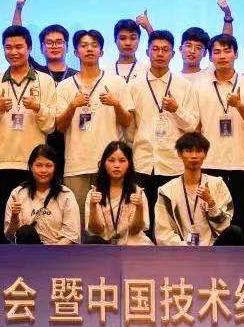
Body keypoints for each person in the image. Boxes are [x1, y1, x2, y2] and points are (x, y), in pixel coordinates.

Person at [0, 25, 58, 238]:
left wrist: (38, 108)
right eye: (8, 47)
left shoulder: (45, 81)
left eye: (19, 47)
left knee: (31, 227)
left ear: (29, 48)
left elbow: (51, 125)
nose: (13, 52)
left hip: (31, 166)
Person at [128, 29, 200, 236]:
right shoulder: (135, 85)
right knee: (143, 221)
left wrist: (176, 109)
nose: (160, 54)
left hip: (172, 163)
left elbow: (192, 126)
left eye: (165, 50)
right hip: (142, 162)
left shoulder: (184, 86)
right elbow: (130, 128)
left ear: (173, 54)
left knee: (172, 223)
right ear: (147, 52)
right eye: (155, 49)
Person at [53, 29, 134, 209]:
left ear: (101, 52)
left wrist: (116, 104)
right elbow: (59, 127)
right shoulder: (65, 86)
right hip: (76, 164)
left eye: (94, 45)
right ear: (76, 52)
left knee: (109, 218)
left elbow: (127, 122)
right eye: (84, 45)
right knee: (78, 219)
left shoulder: (116, 82)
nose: (89, 49)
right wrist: (72, 106)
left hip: (110, 164)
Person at [196, 33, 244, 244]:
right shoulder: (199, 87)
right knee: (210, 219)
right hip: (210, 163)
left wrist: (239, 105)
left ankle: (242, 263)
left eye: (227, 51)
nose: (222, 56)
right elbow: (196, 128)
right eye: (216, 52)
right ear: (210, 57)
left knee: (241, 221)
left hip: (241, 164)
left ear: (236, 54)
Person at [154, 132, 242, 246]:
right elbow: (162, 233)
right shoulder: (167, 191)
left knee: (235, 232)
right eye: (189, 151)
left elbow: (225, 227)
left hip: (213, 249)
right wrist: (185, 247)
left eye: (199, 151)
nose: (194, 156)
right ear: (179, 154)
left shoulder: (217, 184)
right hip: (181, 249)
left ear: (205, 154)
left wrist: (211, 203)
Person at [4, 144, 80, 245]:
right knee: (26, 232)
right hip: (28, 251)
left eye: (48, 165)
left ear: (55, 167)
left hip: (58, 250)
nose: (43, 170)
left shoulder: (66, 194)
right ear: (31, 166)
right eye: (38, 165)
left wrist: (51, 252)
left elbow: (71, 235)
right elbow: (10, 236)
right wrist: (14, 218)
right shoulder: (18, 193)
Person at [84, 140, 151, 245]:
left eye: (122, 160)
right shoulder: (94, 193)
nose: (116, 165)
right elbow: (96, 230)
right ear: (104, 163)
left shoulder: (138, 193)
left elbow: (134, 231)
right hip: (104, 247)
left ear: (129, 164)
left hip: (133, 246)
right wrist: (93, 205)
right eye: (111, 160)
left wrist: (140, 207)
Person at [110, 18, 147, 84]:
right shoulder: (106, 71)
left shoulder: (147, 69)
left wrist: (148, 28)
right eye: (123, 38)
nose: (128, 43)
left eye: (133, 38)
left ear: (139, 40)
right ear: (115, 40)